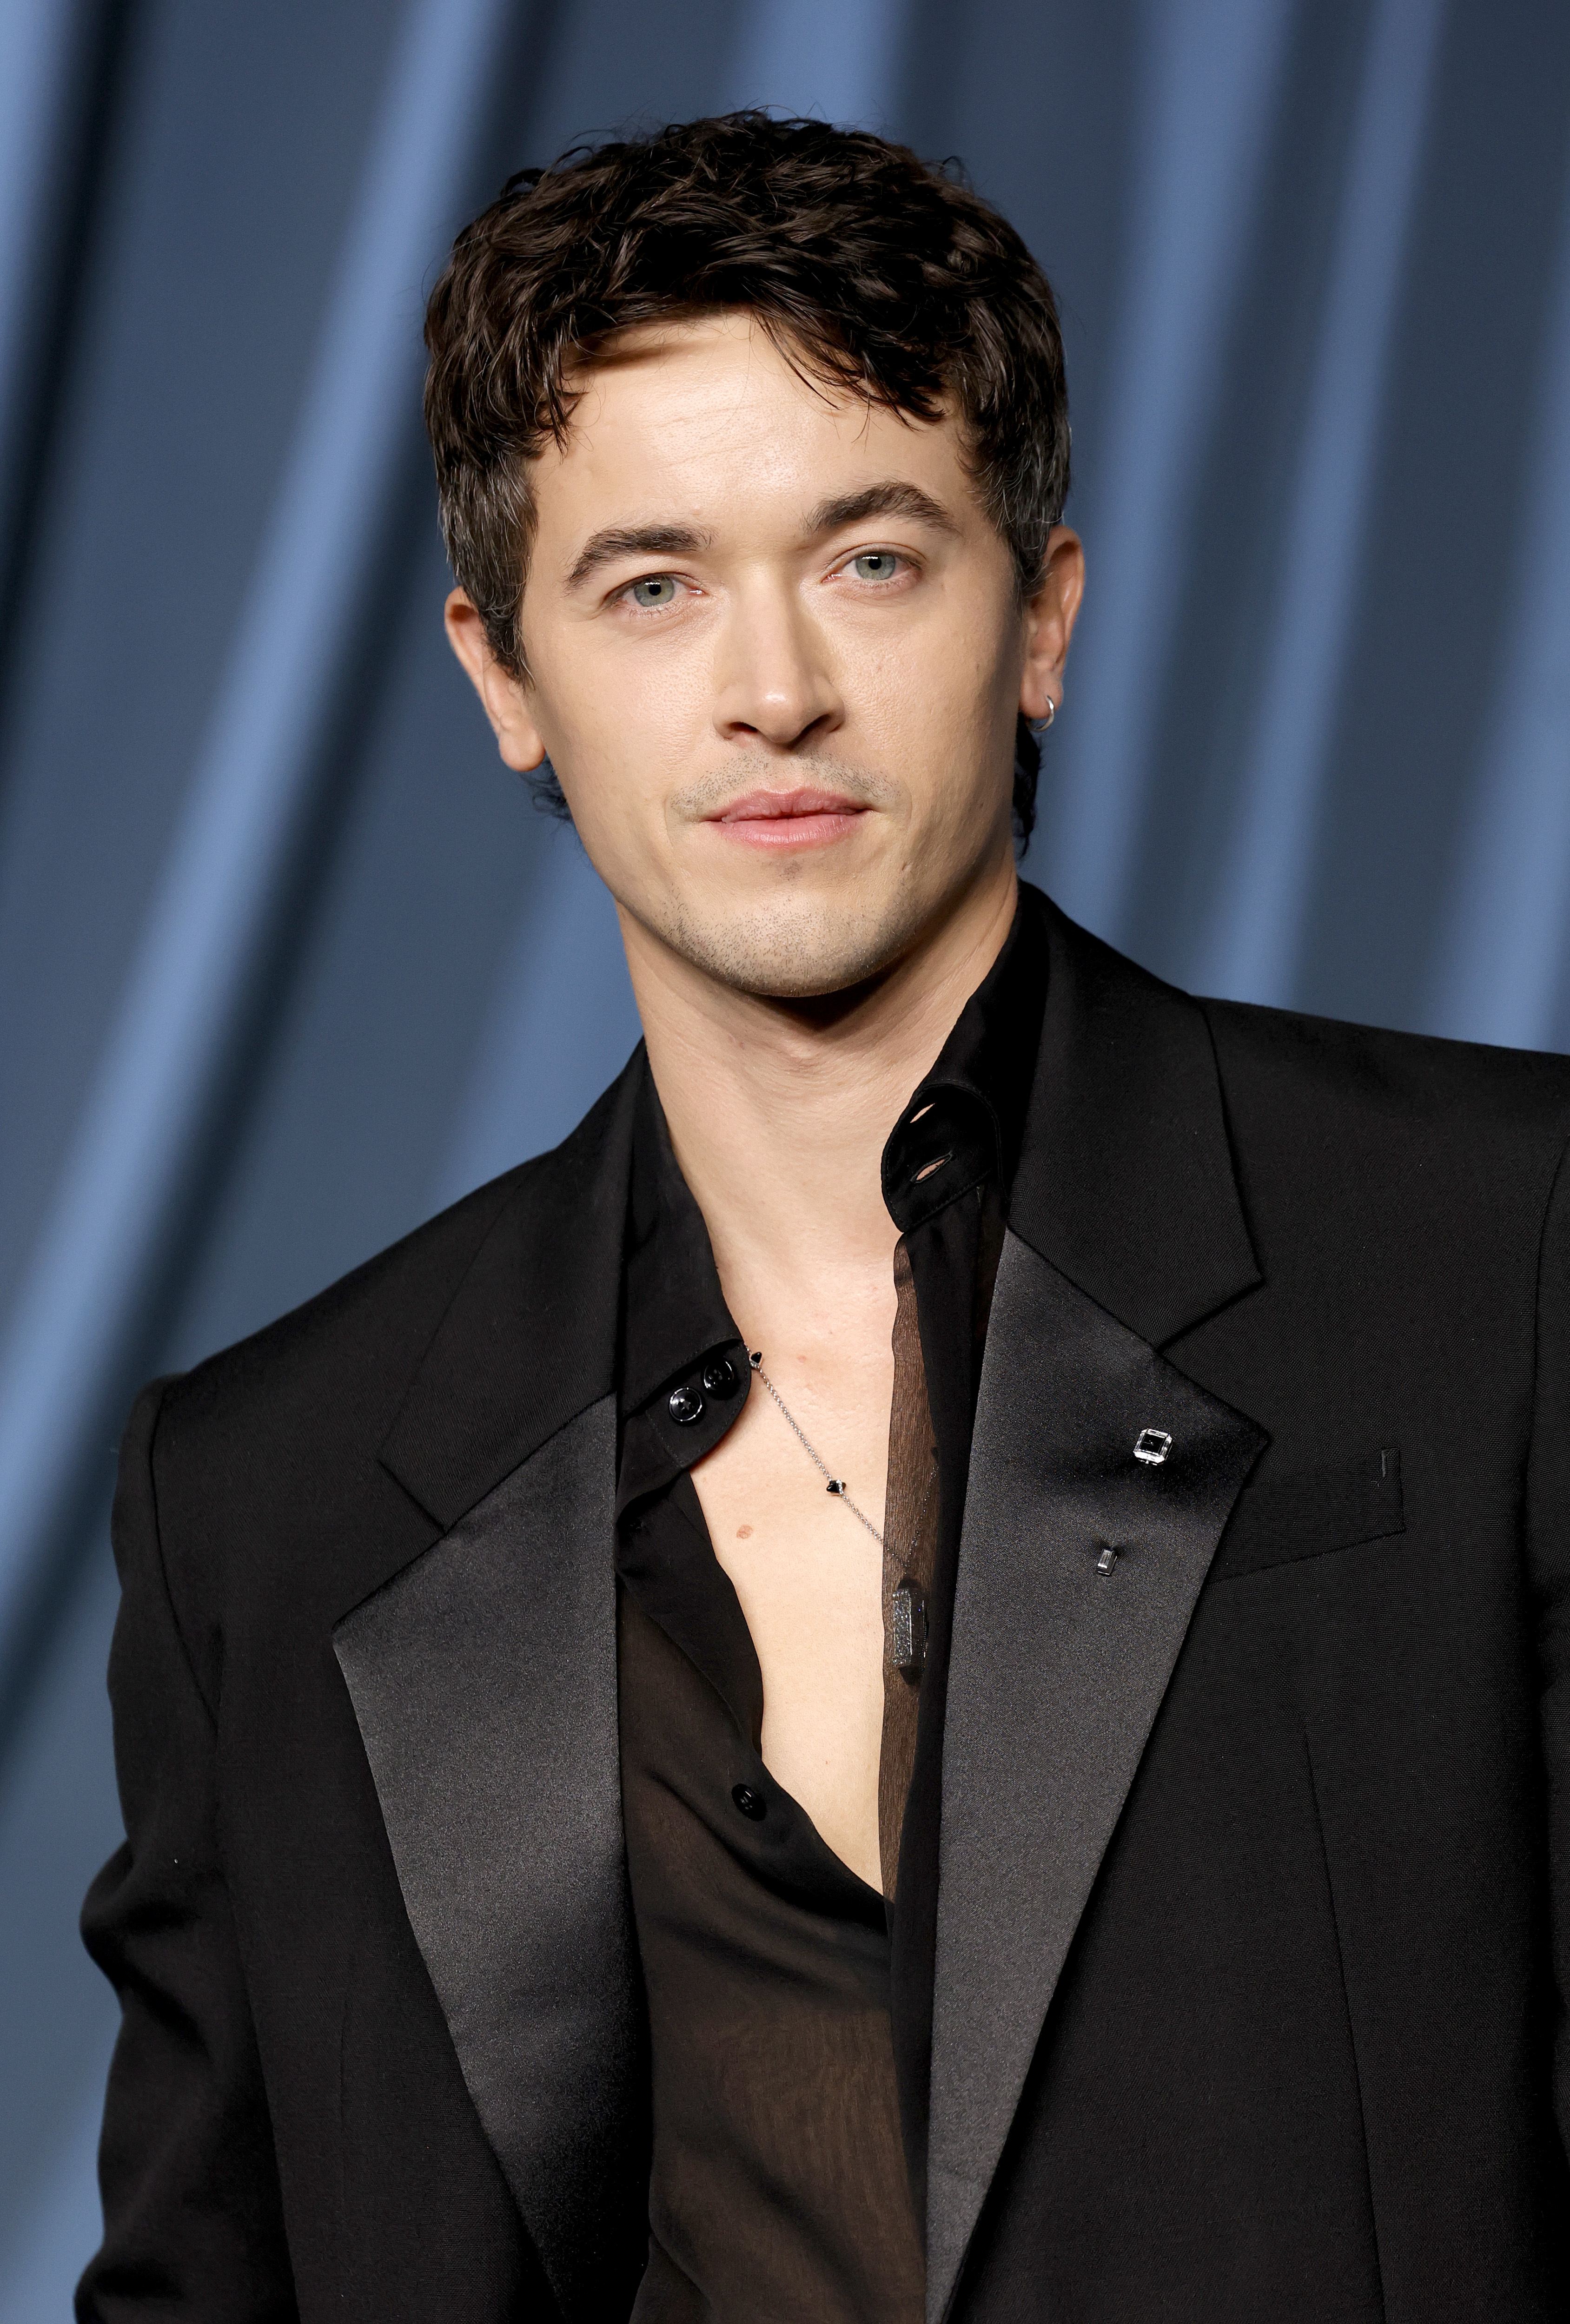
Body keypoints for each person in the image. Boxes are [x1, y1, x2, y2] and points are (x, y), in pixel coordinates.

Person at [79, 112, 1568, 2323]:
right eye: (651, 583)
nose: (769, 684)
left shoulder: (1496, 1248)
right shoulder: (269, 1497)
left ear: (1039, 615)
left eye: (869, 556)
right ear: (504, 678)